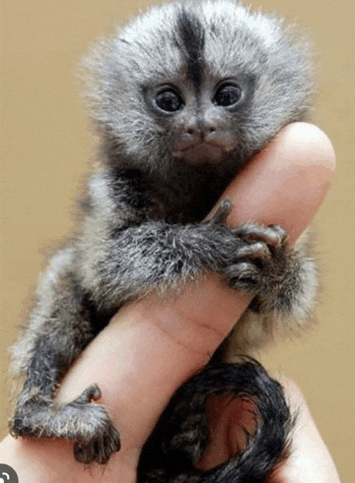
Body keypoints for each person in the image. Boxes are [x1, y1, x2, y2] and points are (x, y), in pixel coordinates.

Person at [0, 123, 341, 483]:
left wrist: (277, 274)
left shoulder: (261, 208)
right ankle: (35, 406)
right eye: (168, 101)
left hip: (186, 399)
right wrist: (197, 244)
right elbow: (106, 270)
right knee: (65, 273)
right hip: (91, 338)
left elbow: (289, 306)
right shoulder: (125, 182)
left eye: (226, 96)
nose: (199, 122)